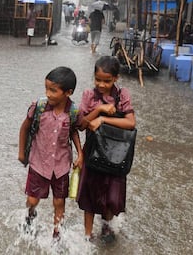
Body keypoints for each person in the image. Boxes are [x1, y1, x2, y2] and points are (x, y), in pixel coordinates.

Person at [18, 67, 84, 242]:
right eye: (46, 88)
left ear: (68, 93)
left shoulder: (73, 112)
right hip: (38, 163)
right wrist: (21, 152)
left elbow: (74, 132)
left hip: (61, 166)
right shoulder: (39, 107)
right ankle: (30, 216)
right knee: (32, 200)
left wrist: (80, 154)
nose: (48, 94)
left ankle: (57, 233)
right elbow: (25, 127)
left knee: (59, 202)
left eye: (53, 90)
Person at [76, 56, 136, 242]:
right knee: (89, 196)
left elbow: (131, 122)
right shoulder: (89, 95)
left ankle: (106, 227)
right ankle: (87, 235)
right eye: (98, 80)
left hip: (116, 154)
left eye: (107, 81)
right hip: (93, 153)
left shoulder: (122, 95)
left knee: (112, 197)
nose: (101, 84)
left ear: (116, 78)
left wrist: (103, 119)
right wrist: (100, 109)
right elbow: (81, 124)